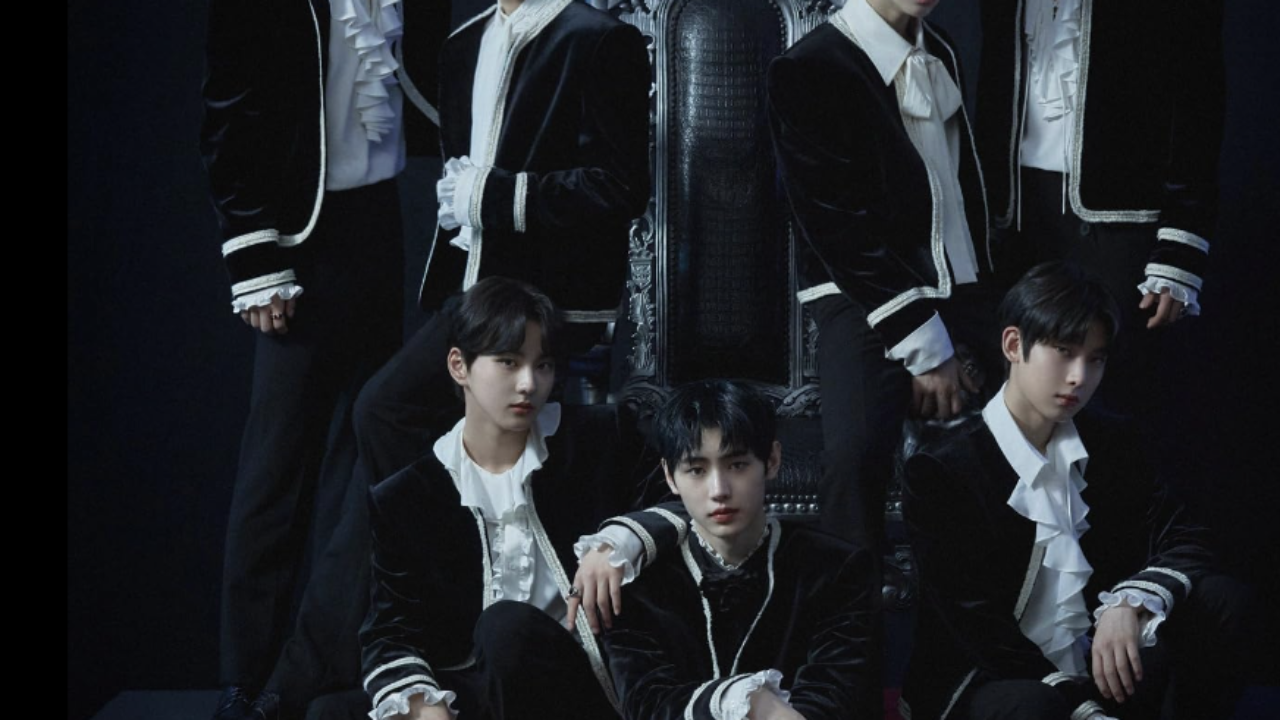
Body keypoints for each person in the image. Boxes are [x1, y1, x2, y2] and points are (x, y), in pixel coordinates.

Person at [200, 1, 449, 717]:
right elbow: (228, 116)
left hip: (378, 222)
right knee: (276, 467)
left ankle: (320, 671)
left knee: (366, 459)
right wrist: (255, 258)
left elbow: (432, 69)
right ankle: (244, 678)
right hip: (297, 240)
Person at [901, 262, 1249, 720]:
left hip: (1096, 664)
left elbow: (1186, 534)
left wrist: (1129, 602)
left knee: (1221, 599)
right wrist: (1080, 709)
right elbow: (976, 628)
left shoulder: (1112, 442)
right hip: (992, 677)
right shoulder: (941, 469)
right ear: (1014, 345)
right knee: (1035, 706)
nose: (1079, 377)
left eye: (1095, 358)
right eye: (1063, 352)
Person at [351, 0, 651, 498]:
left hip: (552, 298)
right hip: (471, 293)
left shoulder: (598, 38)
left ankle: (469, 537)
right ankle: (451, 539)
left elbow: (620, 186)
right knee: (386, 411)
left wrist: (496, 196)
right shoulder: (462, 44)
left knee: (398, 411)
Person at [361, 276, 648, 720]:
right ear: (459, 366)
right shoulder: (407, 496)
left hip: (582, 688)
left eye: (543, 365)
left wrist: (616, 541)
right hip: (478, 692)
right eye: (509, 362)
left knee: (504, 629)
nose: (529, 384)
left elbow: (677, 493)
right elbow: (389, 631)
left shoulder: (598, 439)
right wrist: (423, 705)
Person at [976, 0, 1225, 420]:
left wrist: (1182, 245)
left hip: (1120, 224)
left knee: (1111, 402)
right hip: (1016, 219)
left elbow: (1200, 101)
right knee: (1013, 400)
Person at [599, 380, 876, 720]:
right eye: (697, 470)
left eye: (737, 465)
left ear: (772, 460)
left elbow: (834, 698)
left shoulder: (836, 568)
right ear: (669, 477)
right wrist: (749, 700)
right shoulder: (639, 582)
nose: (719, 490)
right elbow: (647, 704)